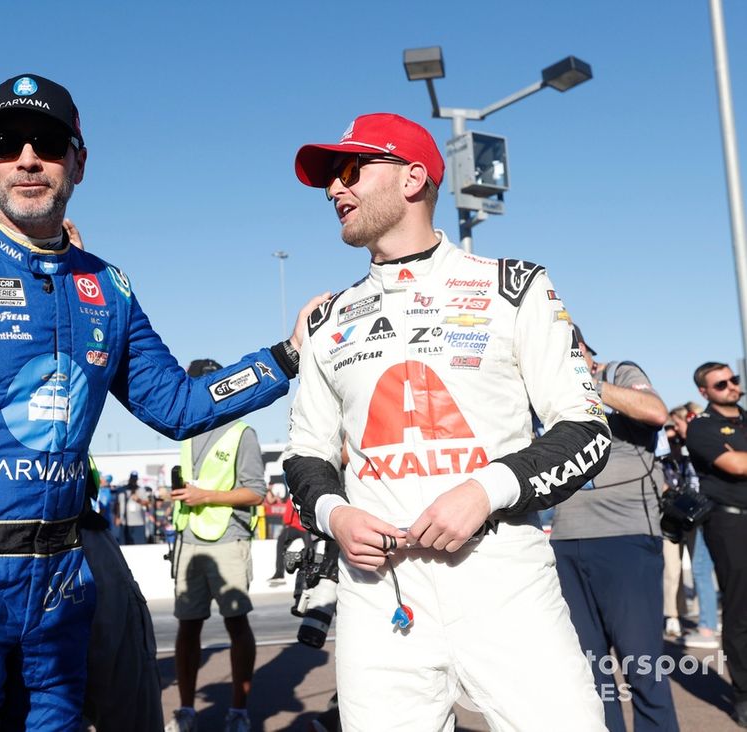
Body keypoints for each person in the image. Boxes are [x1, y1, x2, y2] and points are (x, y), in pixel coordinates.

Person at [0, 73, 321, 731]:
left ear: (79, 160)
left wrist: (282, 358)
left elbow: (175, 404)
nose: (27, 158)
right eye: (7, 143)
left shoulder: (105, 286)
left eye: (48, 142)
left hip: (60, 585)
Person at [282, 112, 611, 730]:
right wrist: (337, 514)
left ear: (412, 179)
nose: (333, 190)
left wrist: (483, 492)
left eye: (350, 170)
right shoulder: (327, 320)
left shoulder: (514, 287)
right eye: (330, 177)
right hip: (377, 592)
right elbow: (304, 455)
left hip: (502, 576)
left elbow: (588, 428)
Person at [549, 328, 678, 732]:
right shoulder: (543, 386)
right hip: (564, 541)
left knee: (642, 665)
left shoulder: (619, 372)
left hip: (625, 537)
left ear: (584, 348)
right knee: (590, 672)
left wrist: (587, 379)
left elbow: (657, 413)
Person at [167, 358, 268, 732]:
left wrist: (204, 496)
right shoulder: (183, 430)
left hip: (228, 539)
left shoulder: (242, 432)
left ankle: (239, 712)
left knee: (236, 623)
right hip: (187, 539)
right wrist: (180, 496)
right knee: (187, 626)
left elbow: (256, 493)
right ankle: (186, 711)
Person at [685, 361, 747, 727]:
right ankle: (743, 693)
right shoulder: (703, 428)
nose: (731, 386)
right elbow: (736, 465)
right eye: (721, 384)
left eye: (733, 379)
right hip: (729, 523)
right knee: (740, 612)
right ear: (705, 392)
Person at [662, 403, 720, 649]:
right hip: (684, 517)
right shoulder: (674, 453)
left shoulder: (697, 447)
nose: (675, 432)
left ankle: (707, 625)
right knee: (682, 570)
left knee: (700, 570)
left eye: (678, 424)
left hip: (700, 516)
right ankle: (693, 618)